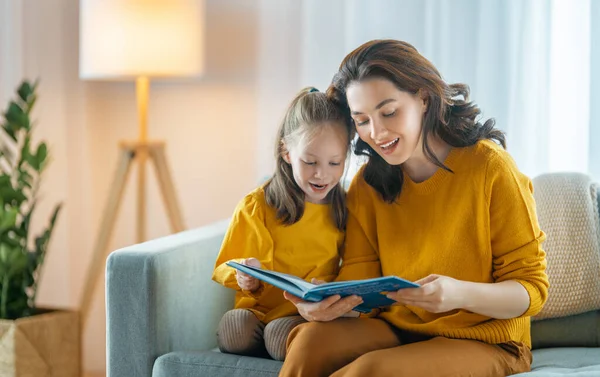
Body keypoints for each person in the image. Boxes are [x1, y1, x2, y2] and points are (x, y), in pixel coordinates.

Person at [280, 39, 549, 377]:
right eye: (361, 120)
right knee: (310, 342)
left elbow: (532, 291)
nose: (375, 133)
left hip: (486, 342)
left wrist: (457, 294)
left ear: (423, 97)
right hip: (397, 329)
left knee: (370, 371)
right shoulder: (368, 184)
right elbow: (361, 277)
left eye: (388, 112)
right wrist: (328, 305)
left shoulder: (490, 168)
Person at [212, 87, 354, 361]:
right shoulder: (258, 205)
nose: (322, 174)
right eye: (310, 161)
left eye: (335, 163)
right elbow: (225, 265)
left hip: (303, 314)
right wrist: (244, 276)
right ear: (287, 152)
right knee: (234, 329)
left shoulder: (346, 207)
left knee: (279, 336)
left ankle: (280, 348)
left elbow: (354, 266)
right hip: (257, 310)